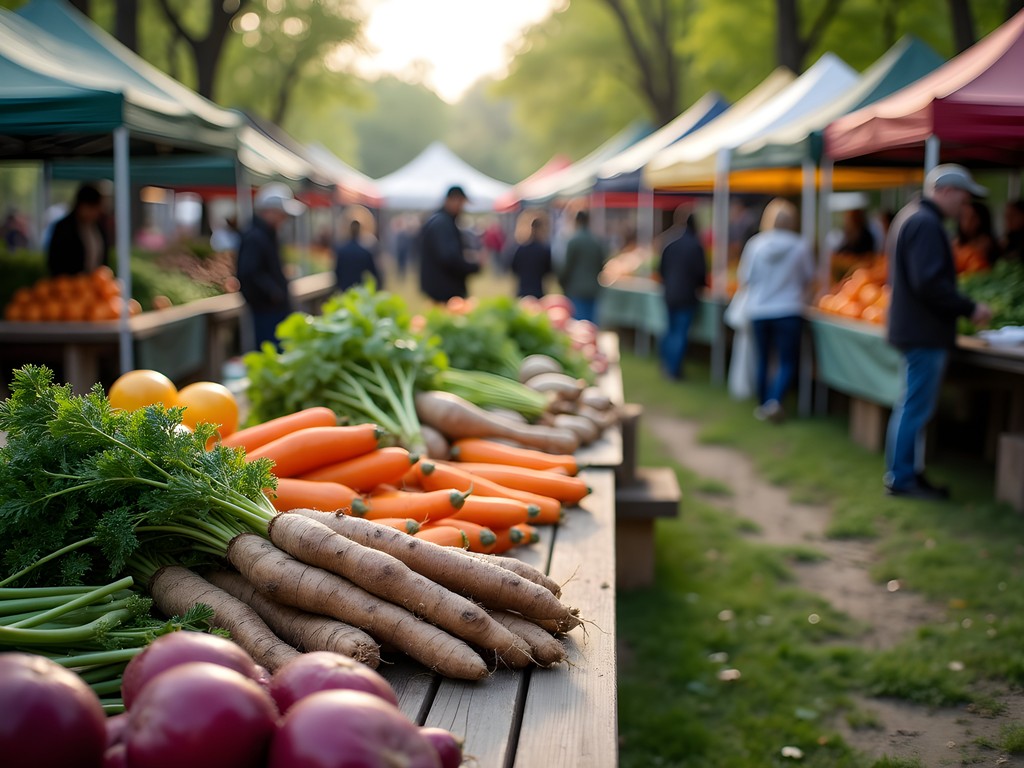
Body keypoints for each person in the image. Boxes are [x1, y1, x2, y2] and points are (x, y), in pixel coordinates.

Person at [883, 164, 992, 500]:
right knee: (914, 407)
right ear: (946, 191)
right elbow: (929, 283)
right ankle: (903, 478)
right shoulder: (925, 223)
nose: (966, 205)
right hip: (922, 331)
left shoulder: (912, 217)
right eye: (963, 196)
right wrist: (969, 308)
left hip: (913, 328)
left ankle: (906, 473)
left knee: (910, 405)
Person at [736, 198, 814, 423]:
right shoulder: (800, 245)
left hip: (759, 309)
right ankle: (775, 401)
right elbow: (810, 279)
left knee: (763, 358)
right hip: (789, 309)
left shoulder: (755, 245)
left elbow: (745, 279)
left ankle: (764, 403)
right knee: (787, 360)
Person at [236, 182, 305, 351]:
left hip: (272, 310)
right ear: (270, 211)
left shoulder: (266, 235)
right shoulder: (255, 237)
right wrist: (273, 293)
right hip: (266, 311)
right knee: (271, 352)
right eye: (282, 214)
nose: (284, 220)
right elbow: (249, 273)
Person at [656, 205, 707, 381]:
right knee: (679, 333)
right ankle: (674, 369)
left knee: (670, 330)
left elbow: (660, 270)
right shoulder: (695, 245)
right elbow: (702, 274)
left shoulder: (669, 242)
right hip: (686, 296)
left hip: (670, 293)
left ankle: (667, 364)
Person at [419, 185, 480, 303]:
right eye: (461, 203)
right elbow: (449, 257)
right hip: (445, 289)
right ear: (453, 200)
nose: (462, 208)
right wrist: (472, 265)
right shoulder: (443, 224)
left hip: (440, 286)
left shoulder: (437, 220)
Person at [47, 183, 109, 275]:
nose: (92, 213)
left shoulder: (99, 227)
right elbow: (55, 260)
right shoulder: (64, 228)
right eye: (89, 208)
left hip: (95, 282)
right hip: (69, 283)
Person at [559, 209, 606, 324]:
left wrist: (562, 283)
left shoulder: (573, 241)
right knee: (591, 325)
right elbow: (601, 265)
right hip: (592, 288)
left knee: (578, 326)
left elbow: (567, 266)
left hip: (576, 289)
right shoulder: (596, 241)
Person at [334, 218, 382, 292]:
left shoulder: (341, 251)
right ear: (359, 230)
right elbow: (375, 273)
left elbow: (337, 271)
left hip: (344, 289)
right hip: (359, 289)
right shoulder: (364, 252)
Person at [510, 216, 552, 299]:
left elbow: (513, 268)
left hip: (522, 291)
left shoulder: (520, 249)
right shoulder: (543, 250)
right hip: (538, 291)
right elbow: (549, 271)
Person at [953, 199, 999, 271]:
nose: (968, 222)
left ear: (981, 220)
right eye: (964, 217)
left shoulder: (986, 243)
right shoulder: (956, 242)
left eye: (973, 217)